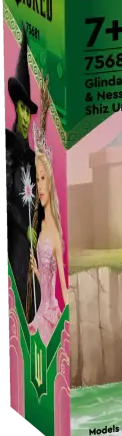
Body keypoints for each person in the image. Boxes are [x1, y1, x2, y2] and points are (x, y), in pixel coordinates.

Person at [5, 31, 41, 323]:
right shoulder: (6, 146)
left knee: (36, 293)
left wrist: (38, 224)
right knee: (18, 288)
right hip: (17, 237)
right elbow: (5, 196)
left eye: (30, 111)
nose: (26, 117)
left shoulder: (32, 155)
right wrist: (24, 226)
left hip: (34, 239)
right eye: (22, 109)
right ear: (16, 108)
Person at [28, 147, 68, 346]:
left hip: (51, 316)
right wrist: (37, 271)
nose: (40, 186)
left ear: (50, 181)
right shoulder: (40, 225)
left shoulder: (55, 234)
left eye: (43, 178)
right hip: (41, 313)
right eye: (37, 180)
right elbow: (47, 279)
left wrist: (68, 316)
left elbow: (62, 284)